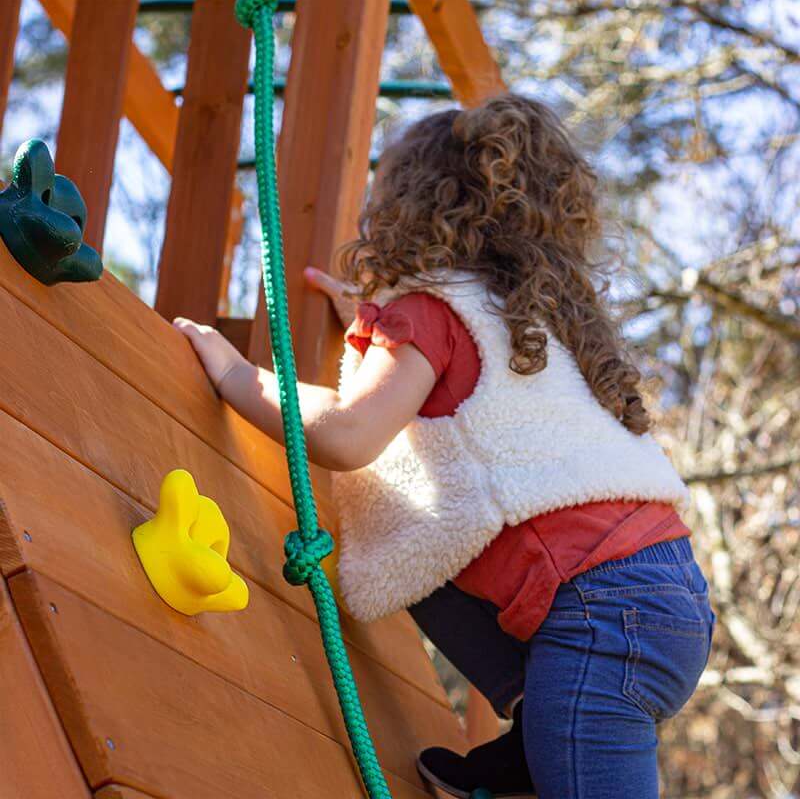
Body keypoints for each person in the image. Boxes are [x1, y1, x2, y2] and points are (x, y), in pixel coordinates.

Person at [175, 94, 715, 799]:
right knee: (405, 549)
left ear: (408, 203)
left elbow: (348, 433)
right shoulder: (537, 323)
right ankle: (532, 742)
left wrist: (235, 372)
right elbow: (472, 402)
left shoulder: (431, 312)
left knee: (402, 537)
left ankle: (541, 724)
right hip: (669, 596)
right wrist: (380, 335)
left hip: (597, 621)